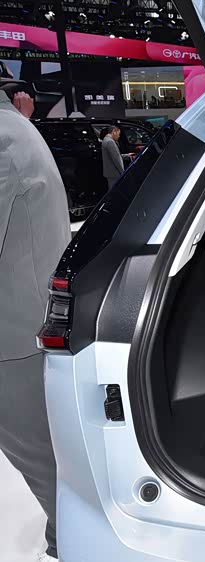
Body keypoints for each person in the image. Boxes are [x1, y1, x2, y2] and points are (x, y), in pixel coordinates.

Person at [0, 88, 69, 560]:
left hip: (13, 342)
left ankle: (73, 546)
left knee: (52, 472)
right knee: (54, 463)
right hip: (29, 328)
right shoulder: (14, 130)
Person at [102, 126, 125, 190]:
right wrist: (122, 172)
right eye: (118, 134)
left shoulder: (105, 139)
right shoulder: (110, 142)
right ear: (114, 131)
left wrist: (127, 155)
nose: (119, 136)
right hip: (114, 173)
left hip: (111, 173)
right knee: (115, 190)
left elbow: (114, 155)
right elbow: (116, 159)